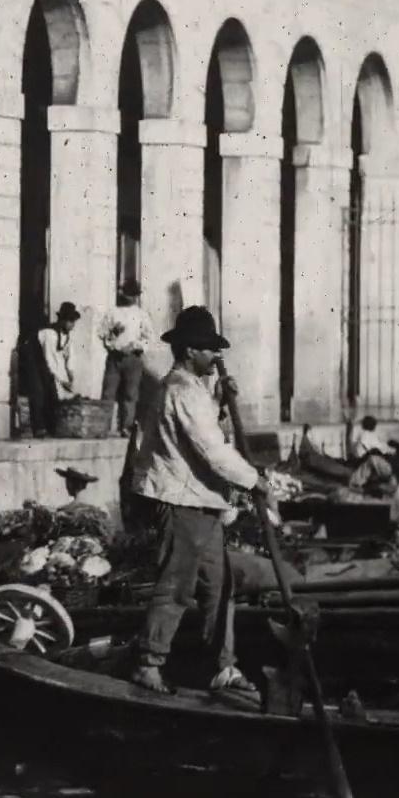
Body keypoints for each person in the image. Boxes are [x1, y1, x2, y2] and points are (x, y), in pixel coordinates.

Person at [130, 305, 271, 695]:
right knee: (176, 586)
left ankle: (222, 667)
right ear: (190, 350)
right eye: (209, 350)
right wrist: (254, 481)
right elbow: (211, 449)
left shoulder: (196, 391)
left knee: (219, 588)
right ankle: (148, 662)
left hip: (204, 503)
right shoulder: (179, 390)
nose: (216, 357)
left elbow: (212, 429)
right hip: (183, 503)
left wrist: (223, 401)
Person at [99, 279, 154, 436]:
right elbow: (102, 333)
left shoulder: (141, 315)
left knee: (130, 394)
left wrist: (135, 345)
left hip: (133, 357)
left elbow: (149, 337)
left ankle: (126, 426)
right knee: (109, 391)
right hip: (115, 357)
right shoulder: (113, 312)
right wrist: (113, 334)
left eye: (133, 295)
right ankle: (103, 426)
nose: (130, 298)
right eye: (128, 294)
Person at [22, 302, 81, 438]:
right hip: (33, 358)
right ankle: (38, 427)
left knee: (52, 390)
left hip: (45, 361)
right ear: (62, 320)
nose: (72, 324)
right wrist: (61, 380)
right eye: (70, 321)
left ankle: (51, 426)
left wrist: (71, 375)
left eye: (74, 321)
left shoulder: (67, 337)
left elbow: (69, 357)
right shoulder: (49, 334)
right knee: (39, 390)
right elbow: (50, 360)